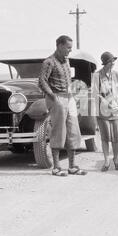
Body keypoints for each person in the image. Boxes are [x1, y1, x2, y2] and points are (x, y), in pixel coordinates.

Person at [38, 35, 87, 177]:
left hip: (69, 97)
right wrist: (53, 96)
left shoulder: (66, 60)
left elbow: (68, 80)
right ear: (59, 46)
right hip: (57, 97)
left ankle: (72, 167)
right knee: (59, 132)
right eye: (68, 47)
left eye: (70, 48)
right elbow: (41, 81)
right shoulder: (49, 62)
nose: (69, 51)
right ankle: (57, 167)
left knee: (73, 131)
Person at [92, 52, 118, 172]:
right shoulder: (96, 76)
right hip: (103, 111)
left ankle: (116, 159)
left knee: (115, 137)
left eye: (114, 61)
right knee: (105, 137)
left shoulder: (117, 75)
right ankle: (106, 161)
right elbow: (95, 93)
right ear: (105, 63)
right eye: (111, 61)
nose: (113, 63)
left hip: (115, 111)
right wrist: (107, 103)